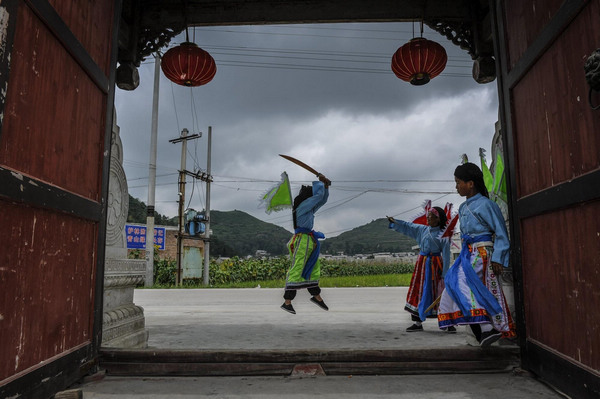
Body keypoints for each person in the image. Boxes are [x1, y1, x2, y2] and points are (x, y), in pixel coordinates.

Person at [437, 162, 516, 347]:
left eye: (458, 182)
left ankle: (487, 327)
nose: (456, 186)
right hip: (468, 253)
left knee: (460, 281)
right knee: (452, 283)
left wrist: (498, 257)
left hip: (482, 252)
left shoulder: (487, 205)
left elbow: (501, 234)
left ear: (470, 183)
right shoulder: (464, 208)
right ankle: (483, 331)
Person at [388, 205, 454, 333]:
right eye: (427, 217)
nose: (428, 219)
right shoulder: (422, 229)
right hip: (422, 265)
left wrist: (445, 273)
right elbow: (408, 226)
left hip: (436, 266)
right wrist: (395, 222)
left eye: (431, 217)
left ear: (438, 219)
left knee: (440, 292)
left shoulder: (444, 235)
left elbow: (446, 254)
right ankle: (417, 323)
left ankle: (448, 322)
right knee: (418, 291)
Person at [281, 173, 331, 314]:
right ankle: (287, 301)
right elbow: (317, 198)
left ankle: (317, 297)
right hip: (301, 241)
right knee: (297, 269)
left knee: (313, 268)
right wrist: (321, 183)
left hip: (309, 240)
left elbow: (322, 201)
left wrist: (325, 187)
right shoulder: (301, 207)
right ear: (305, 199)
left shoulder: (307, 209)